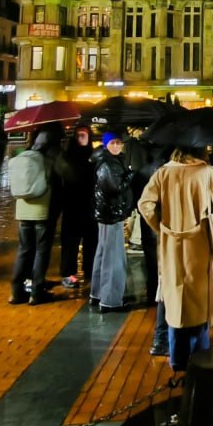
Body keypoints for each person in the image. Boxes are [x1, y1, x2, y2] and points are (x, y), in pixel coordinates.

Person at [138, 146, 213, 371]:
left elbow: (145, 205)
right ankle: (201, 356)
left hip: (170, 243)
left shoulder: (163, 173)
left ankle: (177, 358)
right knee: (199, 298)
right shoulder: (208, 173)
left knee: (174, 296)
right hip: (198, 242)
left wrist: (161, 226)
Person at [9, 127, 64, 305]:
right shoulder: (50, 158)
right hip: (42, 210)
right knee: (41, 251)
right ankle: (36, 291)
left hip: (22, 210)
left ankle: (17, 292)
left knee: (24, 250)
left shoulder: (23, 154)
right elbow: (68, 174)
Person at [90, 133, 133, 313]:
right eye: (113, 143)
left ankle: (98, 293)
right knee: (113, 257)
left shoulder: (106, 160)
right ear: (106, 144)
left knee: (104, 253)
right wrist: (131, 174)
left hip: (107, 213)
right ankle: (111, 300)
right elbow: (117, 186)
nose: (116, 146)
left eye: (119, 143)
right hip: (111, 214)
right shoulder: (108, 163)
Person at [59, 126, 97, 290]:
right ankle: (68, 274)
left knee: (92, 241)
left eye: (85, 135)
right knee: (71, 242)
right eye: (79, 135)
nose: (82, 138)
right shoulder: (67, 157)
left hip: (90, 205)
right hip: (72, 205)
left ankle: (90, 270)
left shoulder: (93, 157)